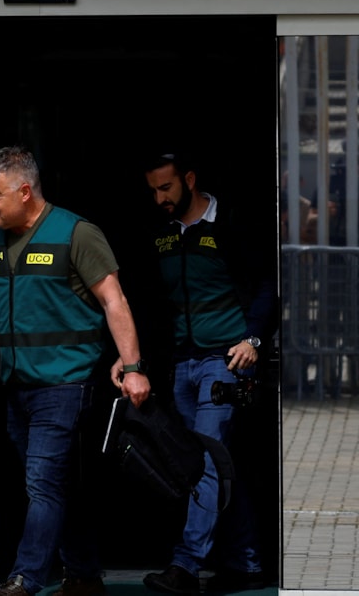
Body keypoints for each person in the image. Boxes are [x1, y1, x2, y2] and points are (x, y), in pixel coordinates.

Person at [0, 146, 151, 596]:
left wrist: (134, 367)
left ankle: (25, 579)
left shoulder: (75, 233)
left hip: (65, 384)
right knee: (55, 486)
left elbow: (114, 300)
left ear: (24, 191)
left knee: (42, 484)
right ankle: (82, 575)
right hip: (16, 386)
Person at [139, 153, 276, 595]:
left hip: (225, 360)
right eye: (153, 191)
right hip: (182, 363)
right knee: (213, 463)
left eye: (166, 188)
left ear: (189, 179)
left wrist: (253, 340)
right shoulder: (161, 233)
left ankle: (185, 564)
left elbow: (268, 284)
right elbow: (152, 301)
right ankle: (248, 561)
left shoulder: (228, 224)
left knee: (209, 462)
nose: (160, 198)